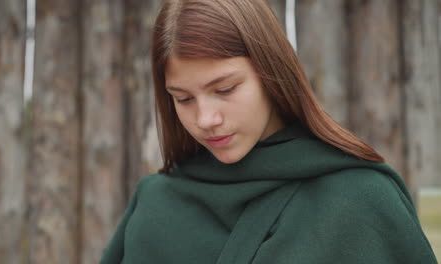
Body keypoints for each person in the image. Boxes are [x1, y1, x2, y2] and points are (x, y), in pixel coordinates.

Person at [100, 0, 438, 263]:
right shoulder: (155, 204)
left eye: (225, 89)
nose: (205, 118)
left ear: (270, 72)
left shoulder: (361, 200)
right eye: (183, 98)